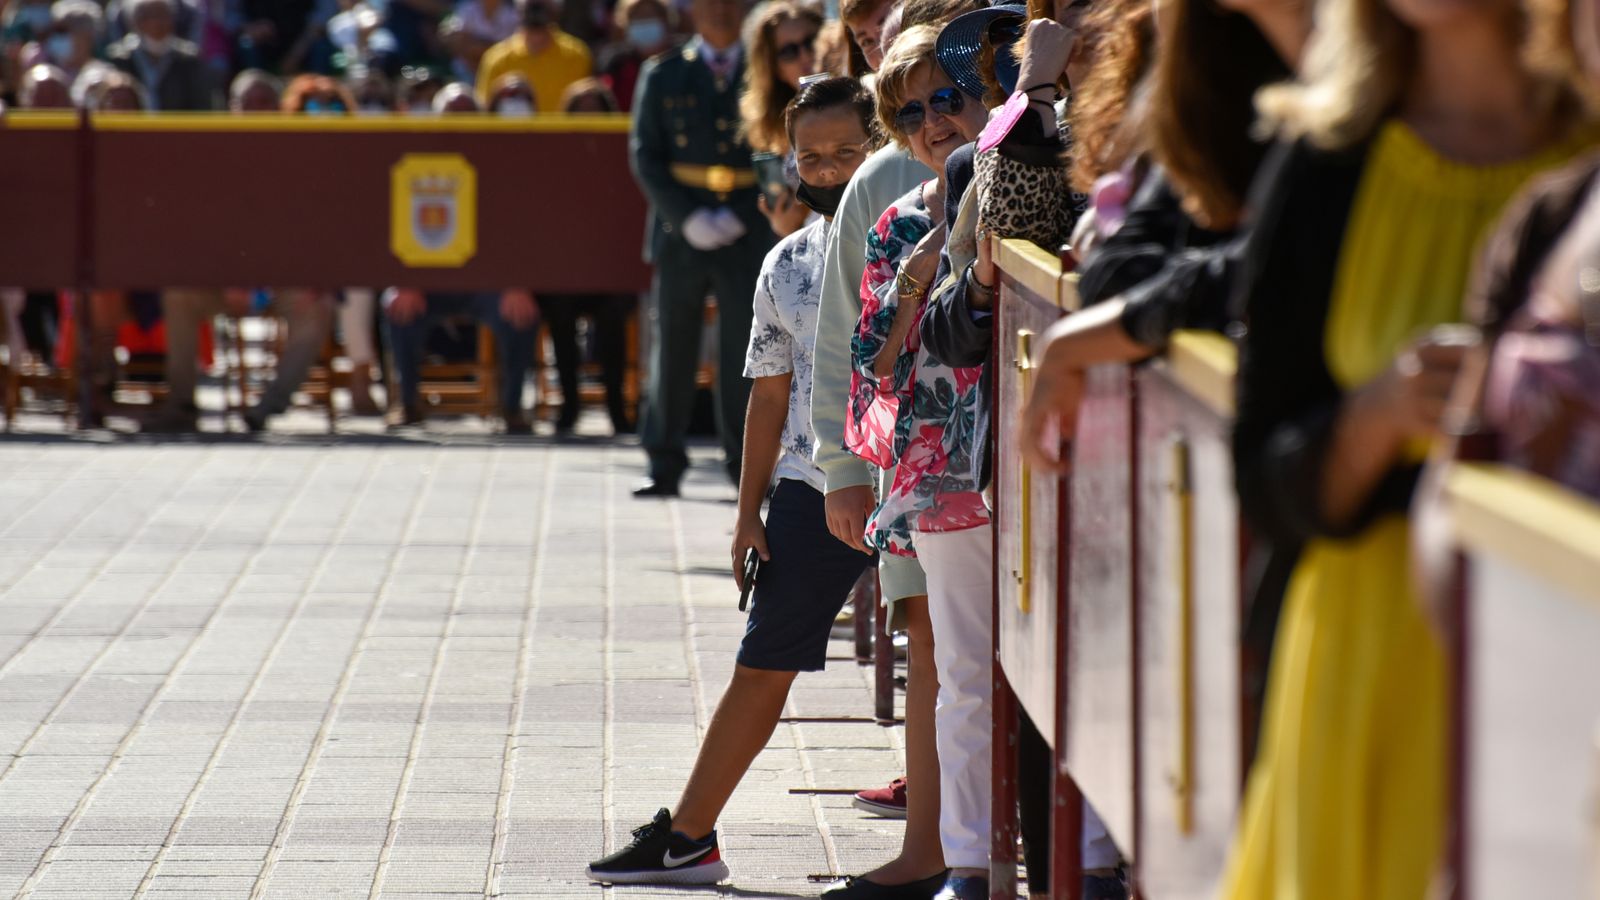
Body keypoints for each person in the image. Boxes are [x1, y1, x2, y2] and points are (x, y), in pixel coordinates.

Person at [1218, 0, 1590, 890]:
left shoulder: (1587, 160)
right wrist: (1378, 416)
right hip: (1368, 652)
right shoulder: (1325, 159)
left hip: (1570, 666)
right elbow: (1261, 472)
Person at [586, 76, 879, 887]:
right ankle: (688, 837)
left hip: (921, 483)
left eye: (847, 152)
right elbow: (767, 392)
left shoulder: (918, 236)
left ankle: (947, 831)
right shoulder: (786, 263)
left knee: (939, 654)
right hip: (811, 483)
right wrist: (747, 515)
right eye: (810, 157)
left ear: (880, 142)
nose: (828, 171)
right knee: (763, 661)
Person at [629, 0, 775, 497]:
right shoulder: (664, 73)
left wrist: (744, 210)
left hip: (746, 227)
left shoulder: (762, 70)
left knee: (744, 350)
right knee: (672, 347)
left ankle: (742, 464)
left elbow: (775, 146)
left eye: (729, 3)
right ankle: (663, 461)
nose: (719, 12)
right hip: (681, 232)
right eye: (709, 3)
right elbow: (646, 154)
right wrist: (686, 218)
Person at [541, 79, 638, 435]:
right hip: (564, 271)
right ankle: (569, 406)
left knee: (614, 311)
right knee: (559, 310)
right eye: (579, 108)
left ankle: (617, 407)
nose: (587, 116)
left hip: (610, 270)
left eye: (594, 108)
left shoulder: (624, 153)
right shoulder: (551, 158)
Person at [739, 0, 822, 239]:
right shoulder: (776, 124)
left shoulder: (857, 98)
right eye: (788, 51)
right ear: (773, 67)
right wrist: (784, 224)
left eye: (811, 41)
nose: (805, 55)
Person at [475, 0, 593, 110]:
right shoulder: (497, 59)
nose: (536, 13)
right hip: (516, 131)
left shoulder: (576, 55)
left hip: (563, 132)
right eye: (531, 5)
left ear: (556, 9)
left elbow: (587, 108)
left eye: (543, 5)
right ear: (519, 10)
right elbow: (484, 111)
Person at [105, 0, 216, 110]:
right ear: (136, 21)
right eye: (150, 15)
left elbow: (202, 103)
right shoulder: (120, 58)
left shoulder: (189, 59)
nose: (157, 22)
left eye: (163, 15)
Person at [600, 0, 675, 111]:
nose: (644, 23)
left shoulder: (685, 60)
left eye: (649, 16)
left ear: (666, 22)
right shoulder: (617, 64)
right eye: (638, 18)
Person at [18, 0, 104, 84]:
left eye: (62, 31)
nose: (56, 37)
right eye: (55, 31)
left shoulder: (99, 76)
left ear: (86, 38)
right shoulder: (38, 59)